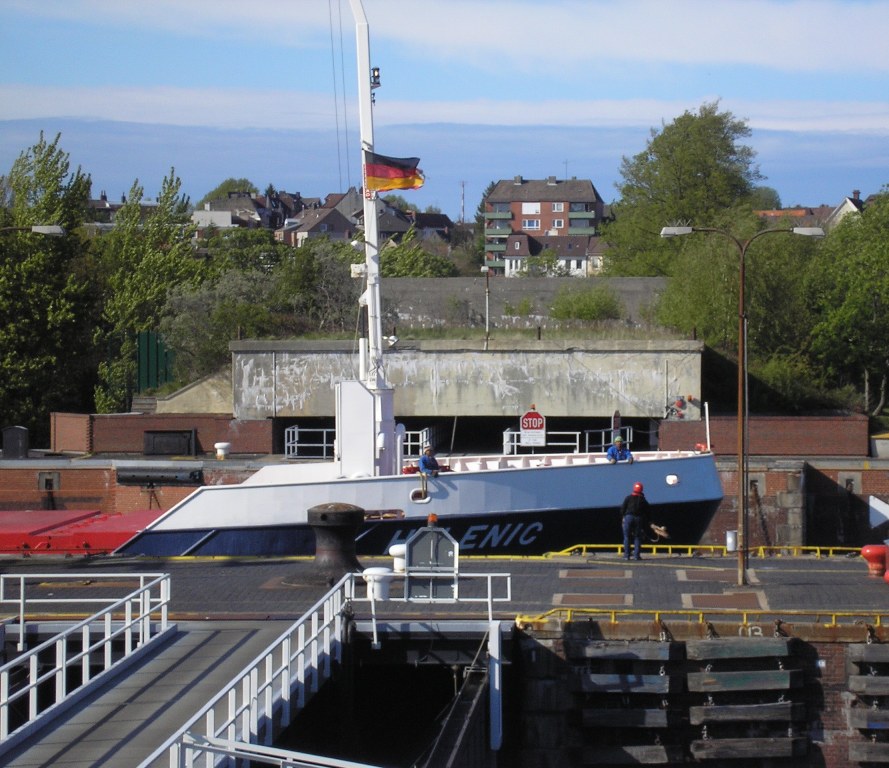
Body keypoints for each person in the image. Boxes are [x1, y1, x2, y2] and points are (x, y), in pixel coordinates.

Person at [621, 481, 649, 560]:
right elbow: (648, 510)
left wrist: (623, 517)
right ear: (641, 489)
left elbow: (622, 509)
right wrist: (649, 521)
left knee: (626, 536)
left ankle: (626, 556)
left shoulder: (628, 498)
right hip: (638, 518)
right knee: (637, 537)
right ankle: (636, 556)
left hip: (628, 517)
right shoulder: (643, 500)